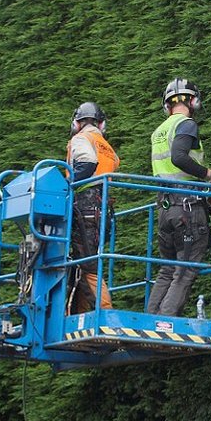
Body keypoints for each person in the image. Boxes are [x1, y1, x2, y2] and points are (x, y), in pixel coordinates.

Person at [147, 77, 211, 316]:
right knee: (185, 269)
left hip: (165, 208)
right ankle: (163, 324)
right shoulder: (186, 124)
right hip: (187, 208)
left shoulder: (159, 131)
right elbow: (179, 157)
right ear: (194, 101)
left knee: (168, 269)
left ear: (167, 105)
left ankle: (150, 319)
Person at [66, 100, 120, 312]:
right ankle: (78, 314)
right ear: (101, 124)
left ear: (76, 124)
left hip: (84, 207)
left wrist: (67, 184)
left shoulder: (81, 139)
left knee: (87, 265)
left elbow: (88, 162)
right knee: (82, 261)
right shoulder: (106, 147)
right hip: (100, 207)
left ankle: (105, 314)